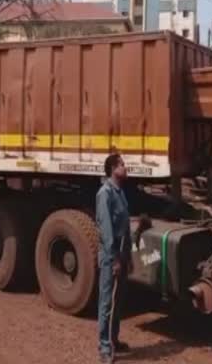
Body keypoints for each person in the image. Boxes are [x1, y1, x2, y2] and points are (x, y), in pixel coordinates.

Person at [96, 154, 131, 363]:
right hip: (111, 255)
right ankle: (104, 347)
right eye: (122, 165)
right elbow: (107, 231)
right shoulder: (105, 194)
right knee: (106, 302)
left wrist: (129, 256)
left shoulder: (120, 193)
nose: (125, 168)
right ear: (112, 169)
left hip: (122, 252)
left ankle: (114, 340)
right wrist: (115, 259)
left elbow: (125, 227)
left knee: (119, 300)